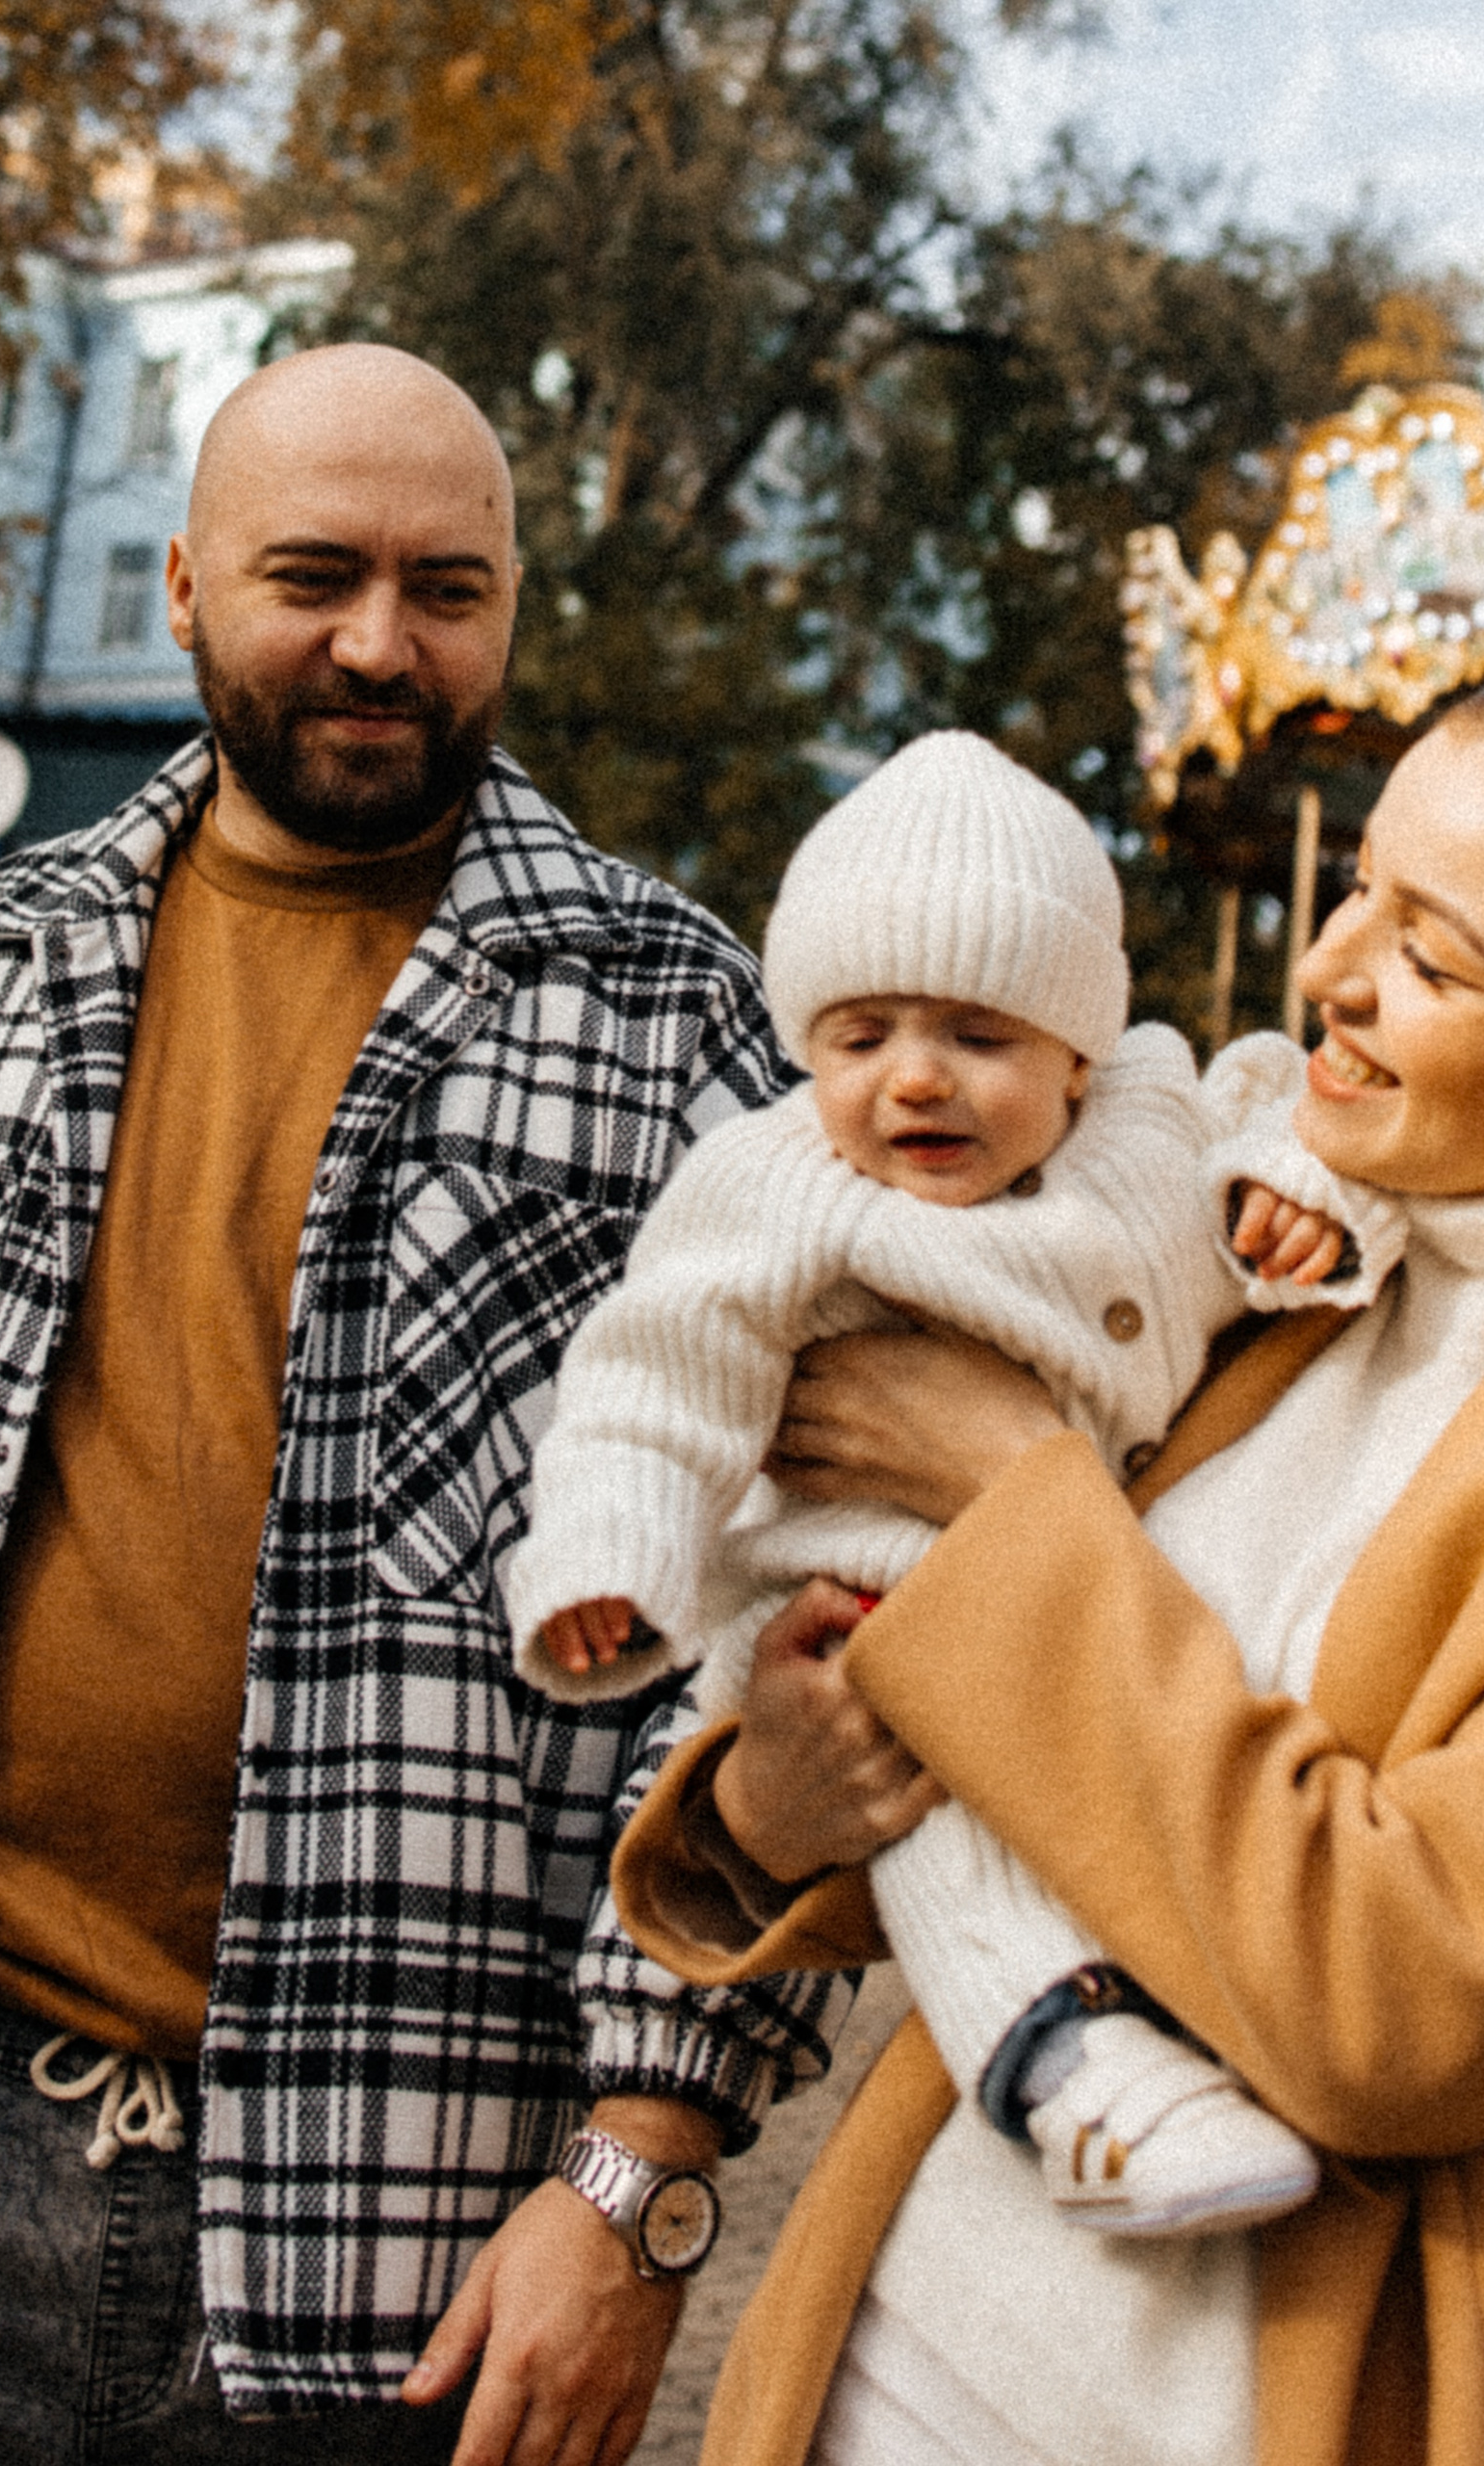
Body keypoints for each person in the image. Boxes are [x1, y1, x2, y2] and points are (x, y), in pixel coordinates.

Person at [0, 343, 845, 2466]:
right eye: (311, 574)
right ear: (180, 587)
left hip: (402, 2202)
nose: (377, 644)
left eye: (448, 588)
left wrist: (639, 2166)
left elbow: (782, 1646)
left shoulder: (679, 1027)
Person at [613, 659, 1484, 2466]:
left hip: (1347, 2391)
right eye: (1360, 886)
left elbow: (1404, 2002)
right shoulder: (1289, 1232)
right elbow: (1059, 1795)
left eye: (1435, 957)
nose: (1330, 970)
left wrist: (1012, 1502)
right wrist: (765, 1806)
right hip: (908, 2348)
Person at [506, 727, 1395, 2238]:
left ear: (1078, 1050)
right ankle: (1066, 2076)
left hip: (1114, 1580)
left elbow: (1284, 1137)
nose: (914, 1079)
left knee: (1157, 1788)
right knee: (949, 1825)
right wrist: (609, 1552)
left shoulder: (1155, 1125)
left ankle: (1182, 2020)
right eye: (860, 1038)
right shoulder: (774, 1187)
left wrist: (1297, 1209)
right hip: (862, 1593)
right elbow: (653, 1377)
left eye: (977, 1035)